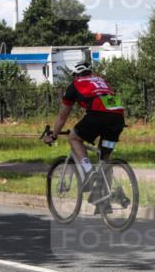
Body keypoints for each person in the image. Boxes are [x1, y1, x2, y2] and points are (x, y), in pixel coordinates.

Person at [47, 61, 125, 198]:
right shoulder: (101, 81)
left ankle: (88, 171)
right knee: (104, 157)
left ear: (76, 75)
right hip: (118, 118)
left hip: (99, 116)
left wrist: (54, 135)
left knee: (73, 137)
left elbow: (62, 116)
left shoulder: (75, 84)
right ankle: (104, 197)